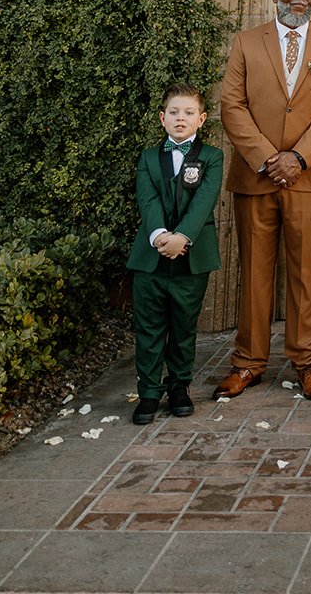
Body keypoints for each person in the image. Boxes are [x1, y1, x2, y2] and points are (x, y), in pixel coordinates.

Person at [215, 0, 311, 401]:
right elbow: (231, 104)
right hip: (257, 175)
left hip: (307, 176)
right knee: (255, 272)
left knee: (305, 272)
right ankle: (248, 362)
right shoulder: (246, 42)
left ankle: (309, 363)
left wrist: (299, 157)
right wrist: (268, 158)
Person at [126, 84, 224, 424]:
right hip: (150, 258)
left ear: (201, 119)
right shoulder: (148, 158)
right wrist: (159, 237)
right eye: (173, 113)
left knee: (184, 326)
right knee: (150, 327)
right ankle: (149, 392)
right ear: (162, 119)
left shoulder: (212, 157)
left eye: (188, 113)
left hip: (191, 257)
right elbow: (147, 200)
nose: (180, 118)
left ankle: (179, 386)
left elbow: (203, 201)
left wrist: (182, 237)